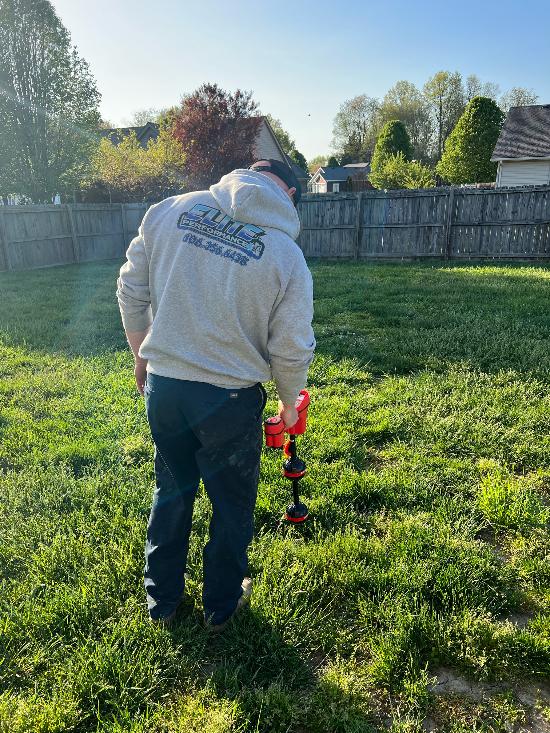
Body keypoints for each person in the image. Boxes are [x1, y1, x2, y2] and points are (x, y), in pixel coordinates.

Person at [116, 159, 316, 631]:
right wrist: (290, 405)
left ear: (243, 174)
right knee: (231, 504)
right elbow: (291, 346)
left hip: (165, 389)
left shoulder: (167, 211)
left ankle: (161, 603)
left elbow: (129, 288)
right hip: (229, 400)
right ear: (289, 196)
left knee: (172, 490)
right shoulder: (286, 254)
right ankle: (220, 607)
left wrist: (141, 354)